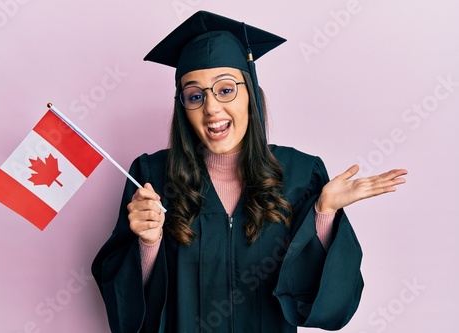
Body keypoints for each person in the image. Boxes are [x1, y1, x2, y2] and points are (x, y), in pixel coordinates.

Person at [92, 10, 407, 333]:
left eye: (226, 89)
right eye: (195, 95)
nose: (211, 107)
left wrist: (323, 214)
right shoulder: (151, 179)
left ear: (251, 95)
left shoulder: (301, 175)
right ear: (182, 106)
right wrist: (148, 242)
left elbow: (324, 303)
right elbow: (125, 309)